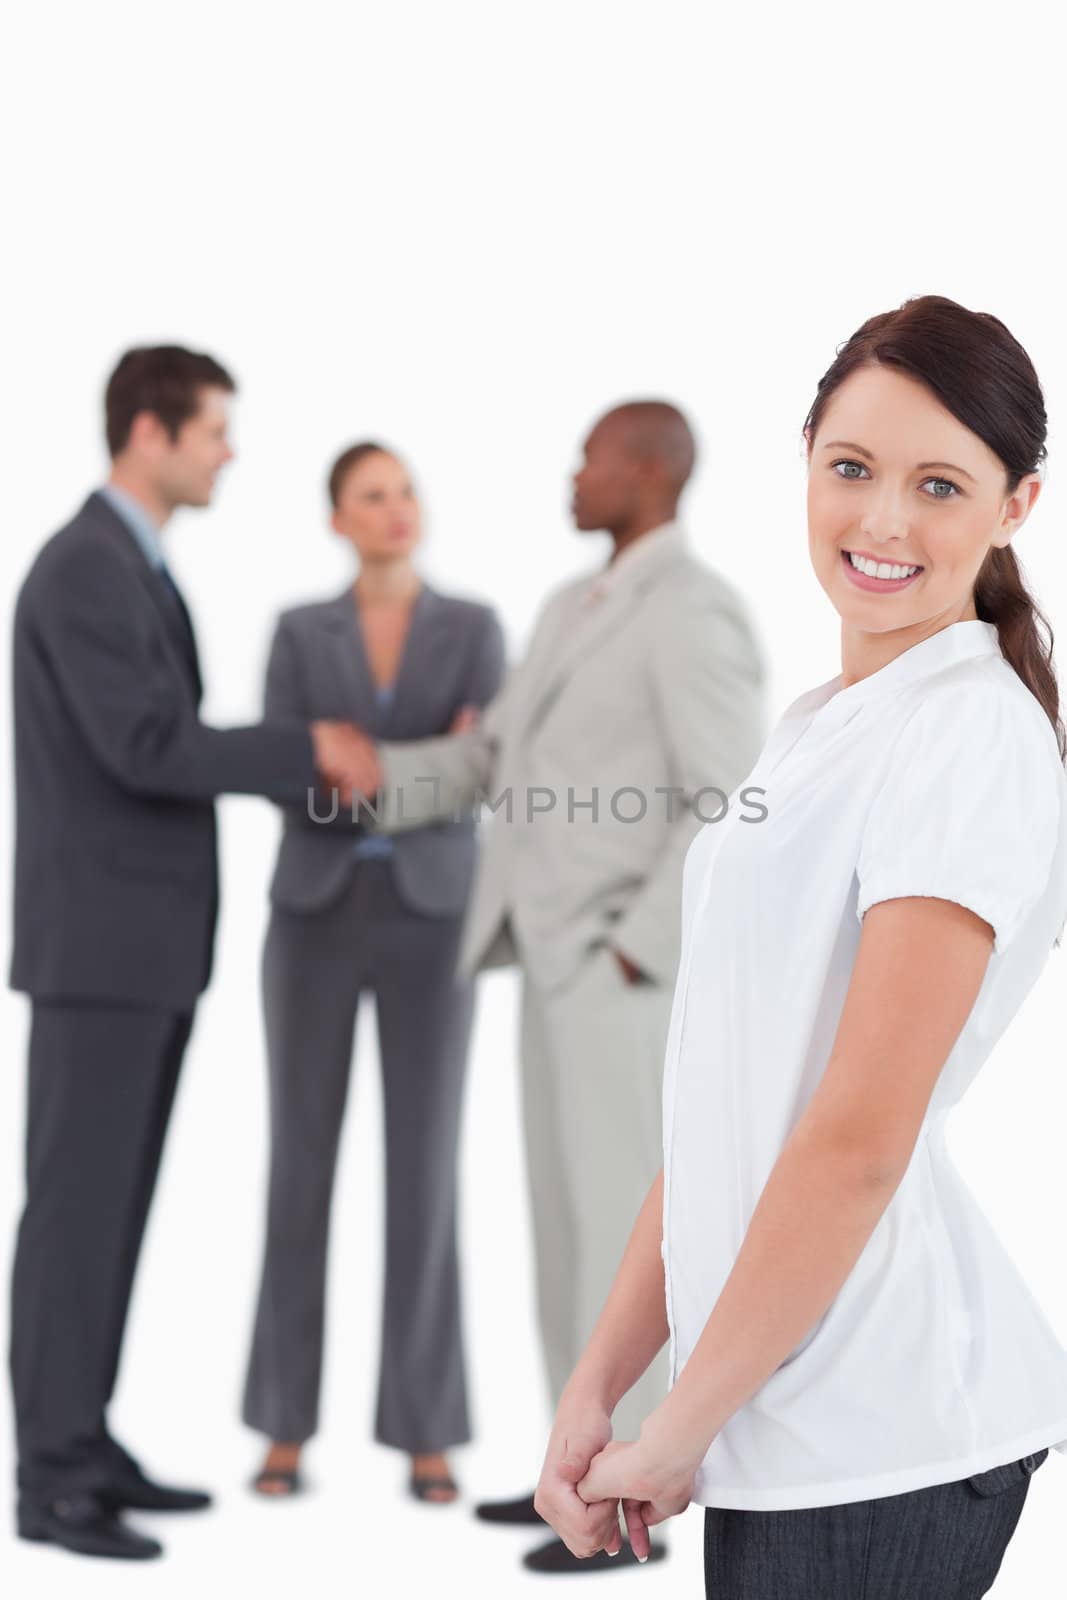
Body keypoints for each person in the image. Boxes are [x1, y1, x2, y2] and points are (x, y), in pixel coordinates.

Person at [533, 296, 1067, 1599]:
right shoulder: (820, 719)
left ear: (1015, 504)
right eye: (849, 468)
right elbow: (719, 1112)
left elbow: (853, 1139)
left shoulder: (965, 733)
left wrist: (675, 1429)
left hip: (873, 1432)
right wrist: (599, 1388)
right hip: (777, 1419)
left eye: (936, 484)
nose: (879, 521)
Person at [347, 400, 766, 1573]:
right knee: (562, 1231)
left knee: (622, 1253)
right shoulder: (564, 605)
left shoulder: (688, 609)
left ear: (645, 470)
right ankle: (570, 1479)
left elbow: (727, 800)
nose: (571, 477)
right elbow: (493, 759)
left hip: (617, 974)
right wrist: (376, 772)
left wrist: (632, 944)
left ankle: (631, 1508)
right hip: (545, 965)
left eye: (589, 459)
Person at [8, 346, 374, 1563]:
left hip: (140, 952)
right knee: (74, 1217)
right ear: (151, 432)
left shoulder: (130, 565)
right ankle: (52, 1478)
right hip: (100, 953)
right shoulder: (83, 567)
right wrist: (302, 744)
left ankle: (82, 1438)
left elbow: (155, 749)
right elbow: (147, 746)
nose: (228, 451)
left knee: (109, 1214)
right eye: (215, 430)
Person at [242, 441, 505, 1505]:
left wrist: (361, 758)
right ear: (336, 519)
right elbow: (276, 767)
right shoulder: (299, 631)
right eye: (372, 496)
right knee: (298, 1166)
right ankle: (281, 1425)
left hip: (433, 919)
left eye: (405, 491)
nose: (397, 510)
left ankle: (426, 1428)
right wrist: (392, 762)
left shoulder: (474, 626)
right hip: (310, 914)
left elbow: (482, 768)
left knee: (424, 1168)